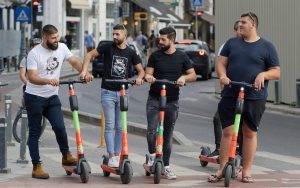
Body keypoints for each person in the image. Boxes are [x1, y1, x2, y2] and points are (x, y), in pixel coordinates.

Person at [208, 12, 280, 183]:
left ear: (253, 24)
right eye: (239, 22)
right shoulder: (231, 44)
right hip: (230, 94)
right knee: (227, 132)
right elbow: (220, 63)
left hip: (254, 96)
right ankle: (221, 169)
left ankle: (246, 171)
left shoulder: (267, 46)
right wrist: (223, 76)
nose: (240, 25)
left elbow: (276, 71)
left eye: (243, 22)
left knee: (249, 133)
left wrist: (263, 74)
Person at [24, 24, 93, 179]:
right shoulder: (34, 54)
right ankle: (36, 166)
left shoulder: (61, 47)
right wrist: (48, 81)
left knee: (60, 127)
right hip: (34, 97)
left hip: (51, 97)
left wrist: (84, 72)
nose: (56, 40)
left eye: (57, 37)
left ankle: (66, 155)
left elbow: (74, 61)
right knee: (35, 132)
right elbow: (32, 77)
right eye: (53, 38)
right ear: (44, 37)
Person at [80, 24, 145, 168]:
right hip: (108, 91)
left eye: (117, 34)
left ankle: (117, 153)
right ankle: (112, 155)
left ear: (125, 35)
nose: (114, 37)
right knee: (109, 125)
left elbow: (141, 70)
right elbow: (89, 54)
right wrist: (84, 71)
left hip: (123, 92)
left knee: (120, 127)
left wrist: (140, 78)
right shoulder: (108, 47)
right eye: (113, 34)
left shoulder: (131, 52)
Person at [144, 27, 196, 180]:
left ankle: (165, 166)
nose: (160, 41)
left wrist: (183, 78)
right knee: (151, 130)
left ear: (172, 40)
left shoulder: (182, 56)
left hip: (172, 101)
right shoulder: (155, 56)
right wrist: (149, 77)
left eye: (163, 39)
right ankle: (152, 156)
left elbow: (192, 75)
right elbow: (148, 73)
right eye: (159, 39)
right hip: (154, 99)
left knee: (168, 135)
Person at [208, 20, 242, 158]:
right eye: (238, 30)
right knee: (218, 119)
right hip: (229, 91)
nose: (240, 32)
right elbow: (221, 67)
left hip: (246, 91)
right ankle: (219, 148)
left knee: (242, 122)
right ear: (235, 31)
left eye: (242, 29)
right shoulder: (227, 46)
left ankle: (239, 149)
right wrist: (223, 89)